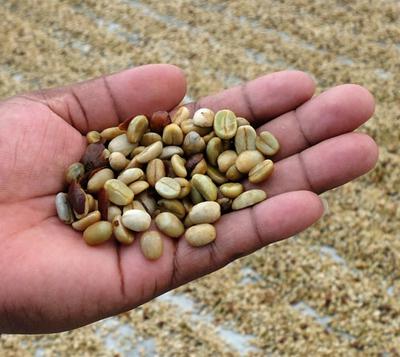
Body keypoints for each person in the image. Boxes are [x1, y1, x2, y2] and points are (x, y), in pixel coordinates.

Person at [0, 64, 378, 334]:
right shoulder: (127, 171)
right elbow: (133, 173)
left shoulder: (174, 164)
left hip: (181, 187)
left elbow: (158, 173)